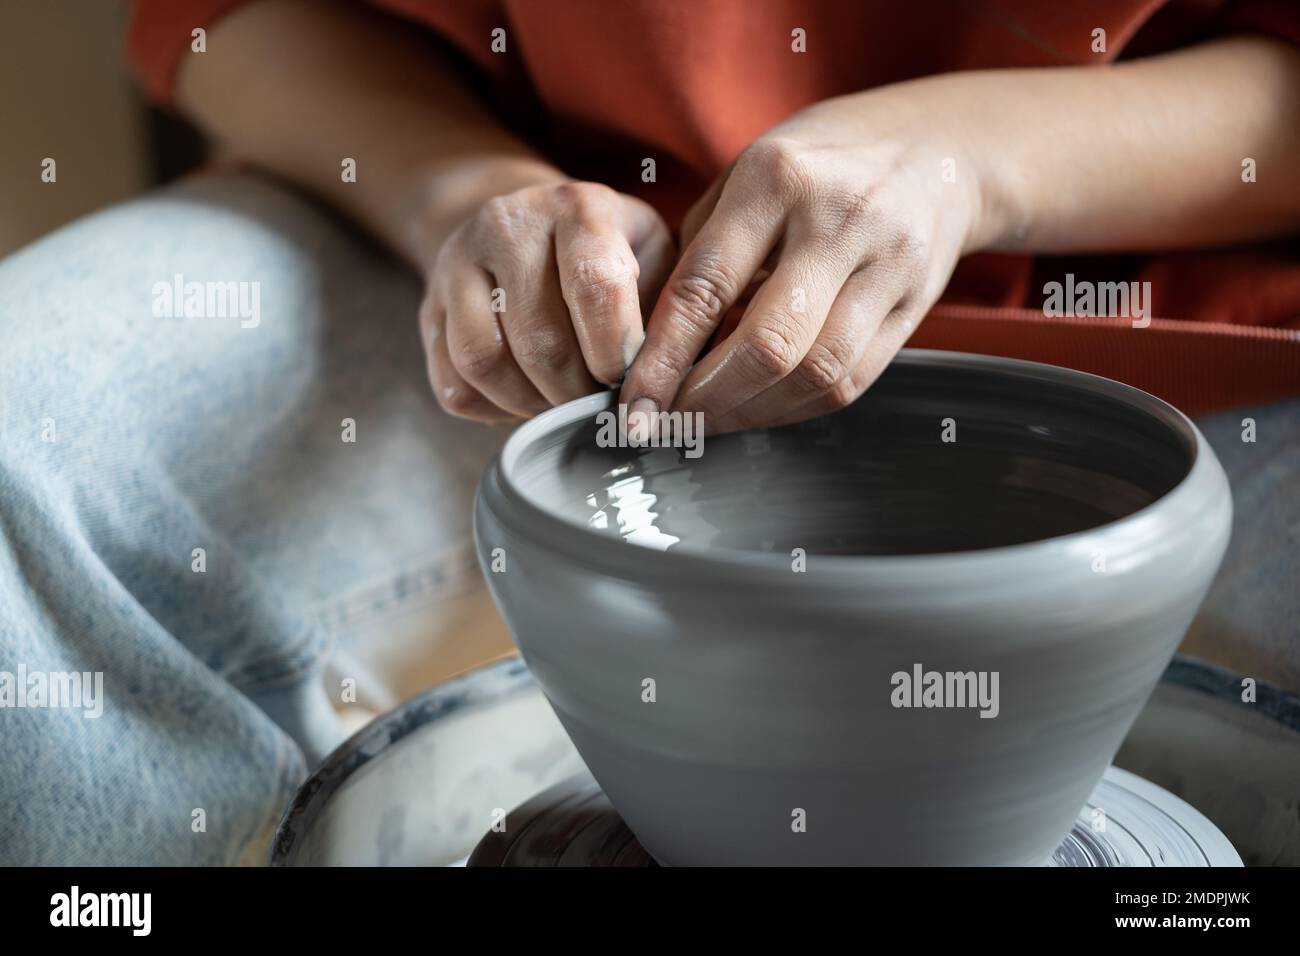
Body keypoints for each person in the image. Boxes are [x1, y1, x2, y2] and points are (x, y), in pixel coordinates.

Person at [0, 0, 1296, 863]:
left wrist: (973, 160)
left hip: (1181, 313)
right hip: (537, 294)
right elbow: (231, 17)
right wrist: (474, 194)